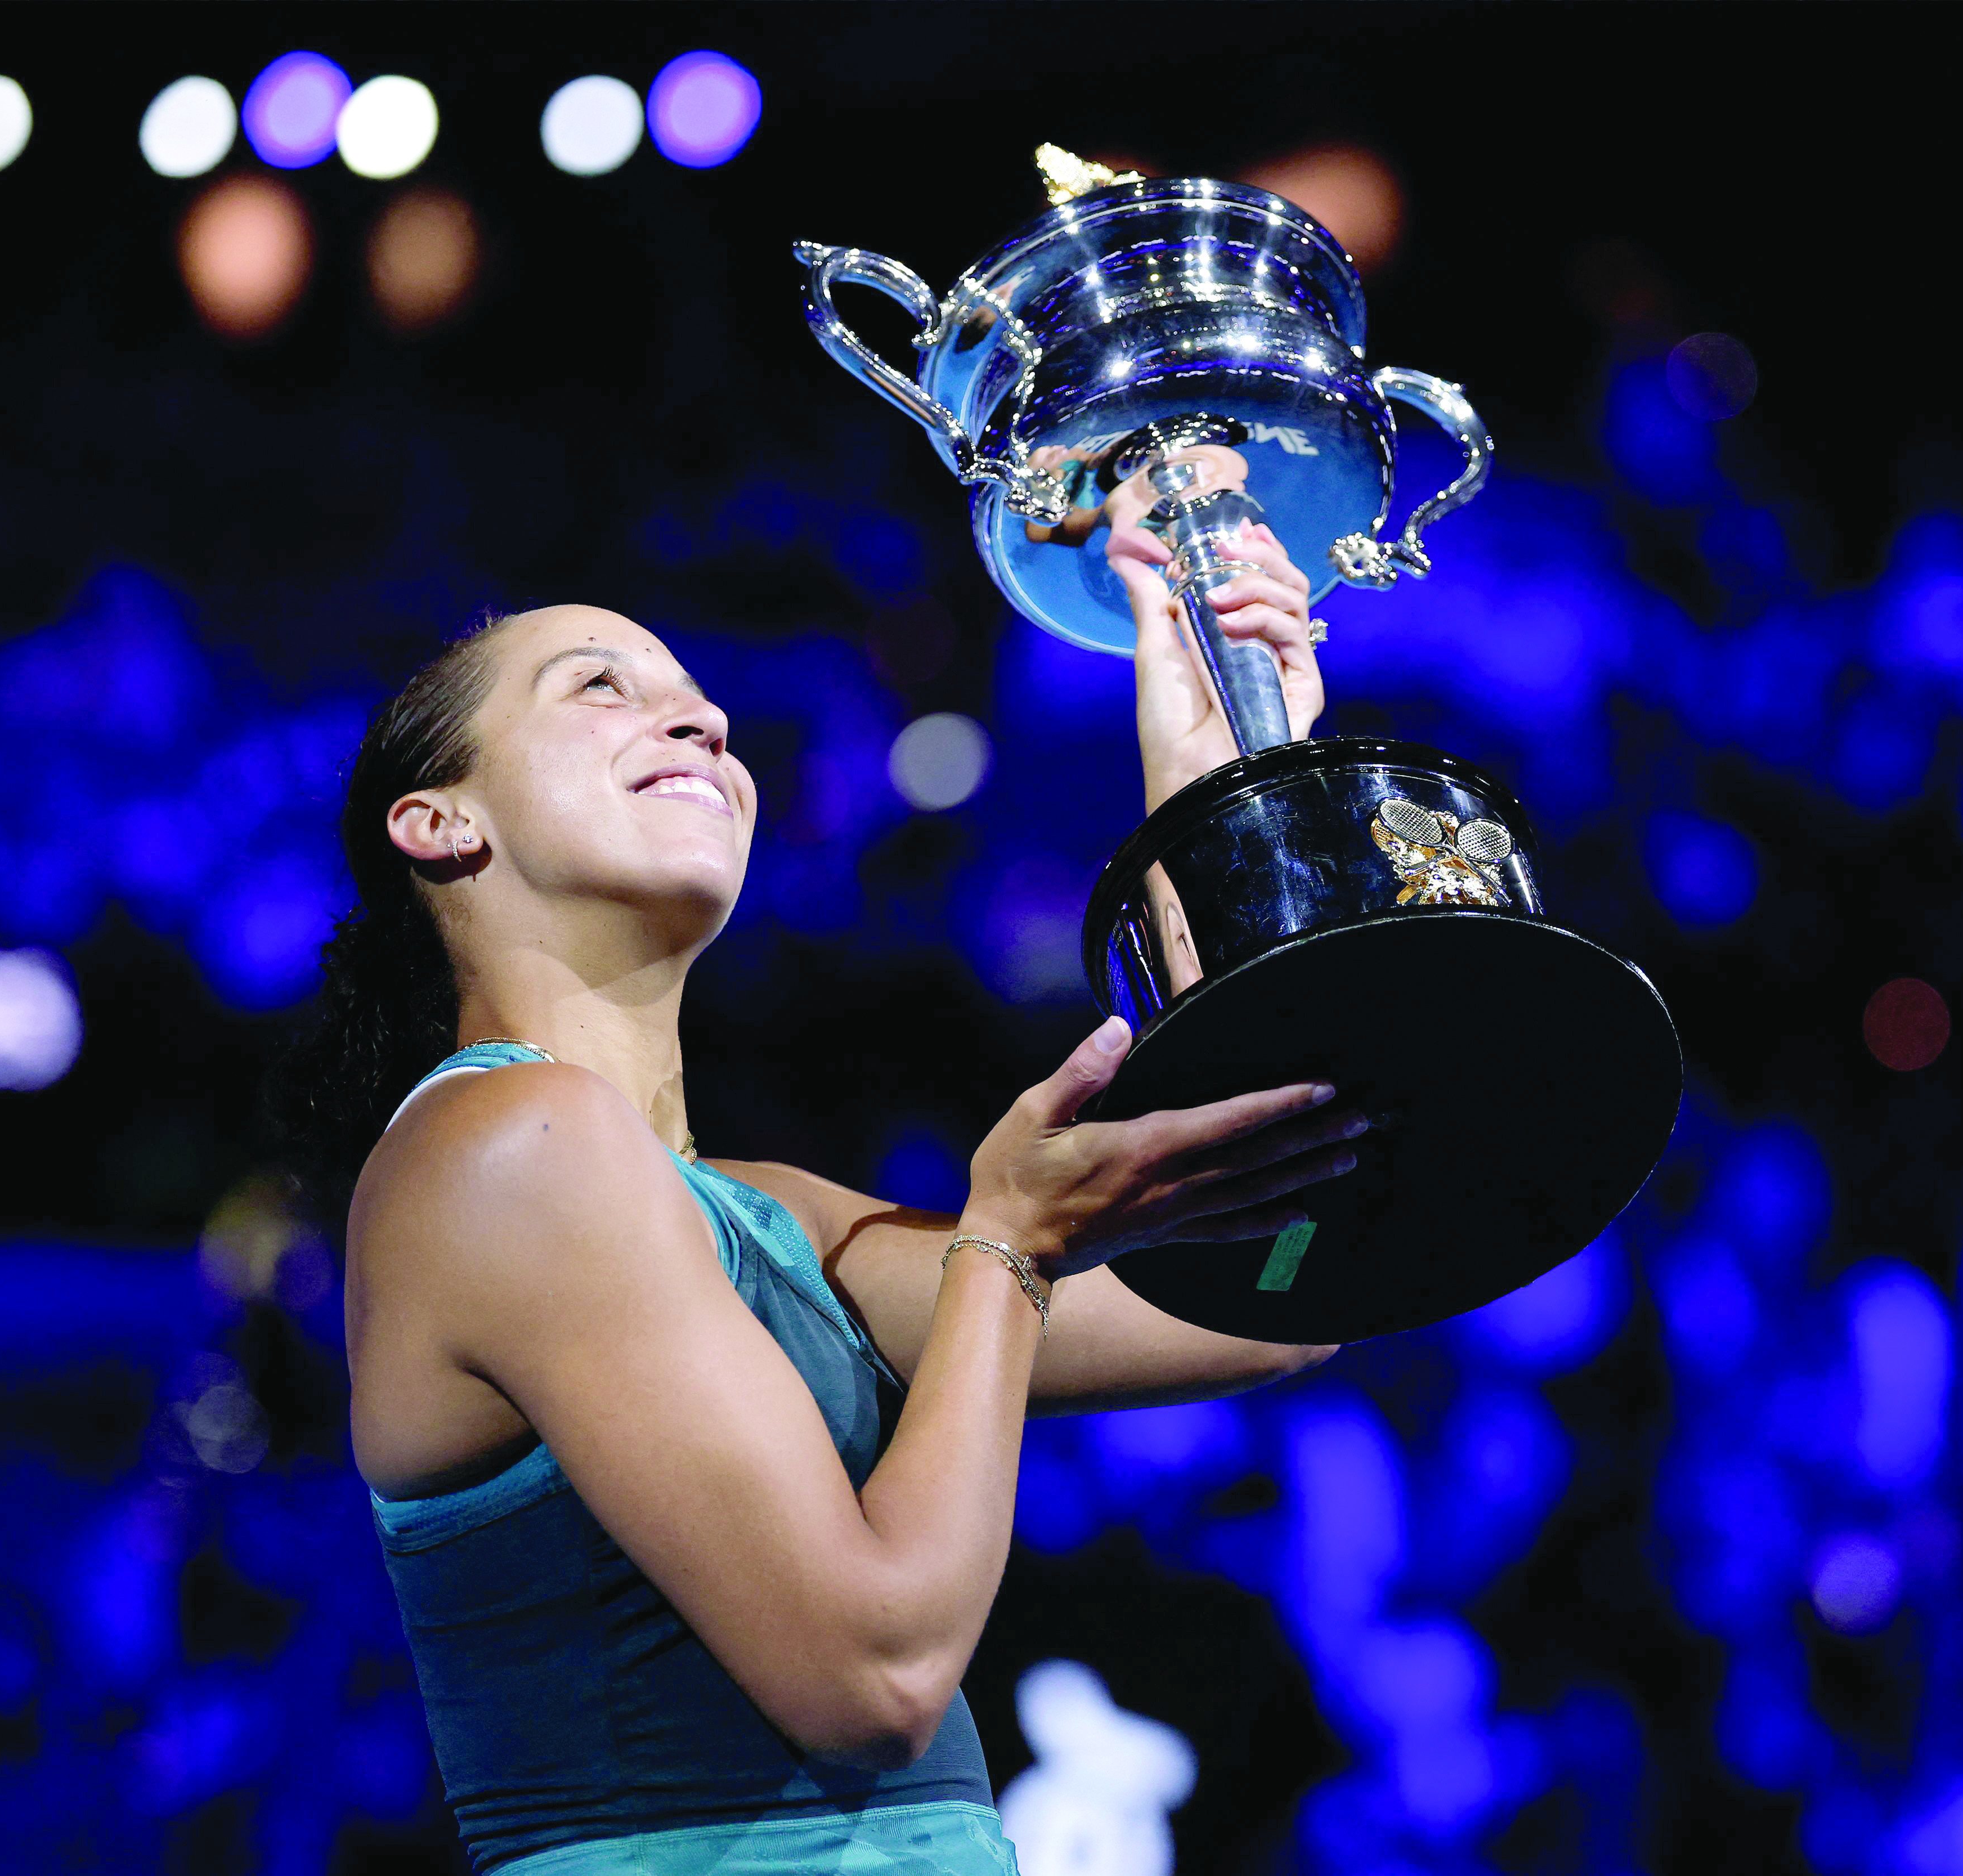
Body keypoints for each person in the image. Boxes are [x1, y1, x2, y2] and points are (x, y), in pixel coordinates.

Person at [275, 490, 1346, 1876]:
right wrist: (1005, 1251)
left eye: (698, 698)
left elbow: (1280, 1284)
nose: (703, 721)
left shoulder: (767, 1214)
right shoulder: (507, 1145)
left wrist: (1221, 795)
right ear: (439, 823)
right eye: (599, 685)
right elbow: (876, 1673)